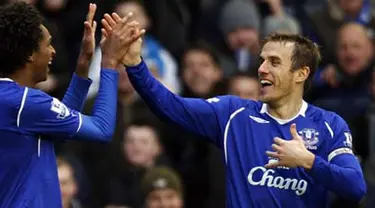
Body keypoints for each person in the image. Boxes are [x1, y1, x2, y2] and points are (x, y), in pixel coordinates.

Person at [102, 13, 367, 207]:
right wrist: (135, 63)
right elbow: (172, 107)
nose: (262, 68)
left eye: (274, 62)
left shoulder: (329, 124)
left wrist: (308, 161)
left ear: (301, 74)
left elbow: (355, 187)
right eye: (262, 60)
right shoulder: (233, 114)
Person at [0, 2, 143, 207]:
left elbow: (61, 130)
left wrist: (83, 65)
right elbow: (102, 129)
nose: (53, 51)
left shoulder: (14, 102)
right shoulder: (25, 103)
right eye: (48, 44)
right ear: (30, 54)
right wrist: (110, 62)